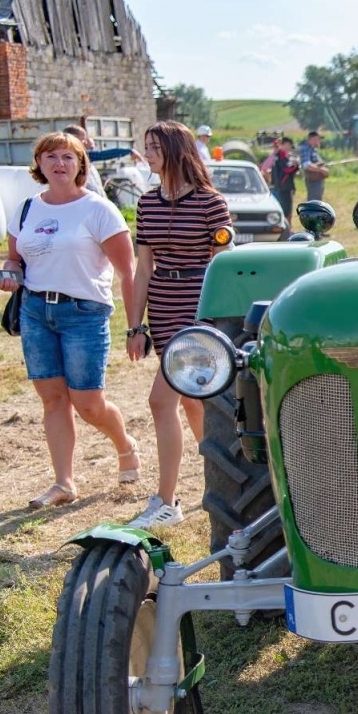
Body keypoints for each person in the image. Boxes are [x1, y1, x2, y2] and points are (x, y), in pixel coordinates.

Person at [0, 132, 142, 509]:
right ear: (39, 164)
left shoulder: (98, 210)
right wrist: (10, 273)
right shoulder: (27, 208)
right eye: (50, 157)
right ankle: (64, 482)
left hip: (84, 314)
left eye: (67, 157)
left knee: (89, 404)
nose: (59, 164)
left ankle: (125, 445)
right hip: (35, 311)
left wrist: (134, 327)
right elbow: (14, 258)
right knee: (52, 399)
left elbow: (128, 273)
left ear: (80, 164)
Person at [127, 121, 233, 529]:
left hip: (198, 304)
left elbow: (223, 263)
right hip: (163, 305)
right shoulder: (146, 203)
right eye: (147, 147)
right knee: (192, 401)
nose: (148, 154)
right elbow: (143, 268)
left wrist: (214, 318)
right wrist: (135, 326)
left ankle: (167, 501)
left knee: (162, 401)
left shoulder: (210, 202)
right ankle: (225, 480)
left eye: (155, 147)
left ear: (176, 150)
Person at [269, 136, 299, 218]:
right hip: (282, 187)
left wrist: (295, 167)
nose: (289, 147)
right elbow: (286, 169)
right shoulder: (279, 156)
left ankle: (287, 224)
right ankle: (284, 224)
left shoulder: (286, 156)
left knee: (288, 209)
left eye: (290, 145)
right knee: (284, 209)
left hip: (286, 186)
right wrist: (295, 166)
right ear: (282, 145)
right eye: (287, 145)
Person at [298, 131, 328, 201]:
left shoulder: (312, 149)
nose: (319, 141)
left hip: (317, 179)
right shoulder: (306, 148)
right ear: (312, 139)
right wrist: (322, 170)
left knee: (317, 200)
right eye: (318, 139)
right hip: (313, 180)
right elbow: (306, 165)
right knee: (314, 201)